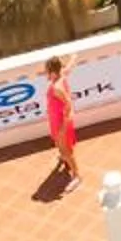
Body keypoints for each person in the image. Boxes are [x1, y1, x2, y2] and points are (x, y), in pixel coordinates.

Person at [44, 54, 80, 187]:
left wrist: (63, 128)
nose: (45, 74)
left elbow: (68, 104)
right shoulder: (61, 74)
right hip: (56, 120)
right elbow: (69, 67)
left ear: (53, 73)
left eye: (47, 71)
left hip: (61, 122)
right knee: (61, 146)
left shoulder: (56, 88)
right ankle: (64, 159)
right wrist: (73, 58)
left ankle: (76, 176)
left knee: (67, 151)